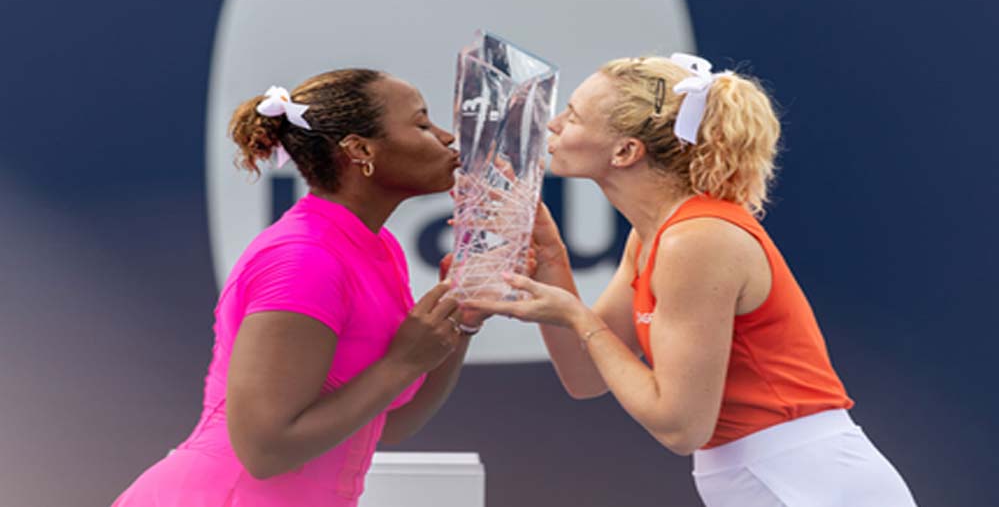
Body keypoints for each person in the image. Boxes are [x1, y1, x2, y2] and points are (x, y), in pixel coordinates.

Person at [465, 54, 918, 506]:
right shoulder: (652, 237)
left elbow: (680, 427)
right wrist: (551, 257)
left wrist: (577, 316)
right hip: (771, 478)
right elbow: (585, 376)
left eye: (574, 115)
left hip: (808, 481)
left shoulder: (696, 240)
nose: (554, 124)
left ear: (625, 152)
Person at [113, 68, 478, 507]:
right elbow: (264, 451)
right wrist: (403, 361)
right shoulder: (305, 259)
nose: (445, 137)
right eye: (421, 124)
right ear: (361, 150)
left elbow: (392, 422)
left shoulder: (379, 247)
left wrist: (460, 323)